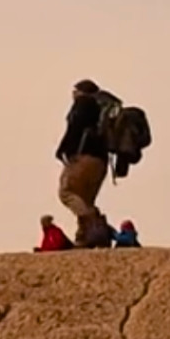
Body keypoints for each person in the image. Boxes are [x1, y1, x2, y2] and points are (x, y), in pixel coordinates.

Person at [56, 79, 111, 246]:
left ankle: (93, 224)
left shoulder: (84, 104)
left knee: (67, 193)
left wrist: (63, 149)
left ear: (80, 92)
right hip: (101, 161)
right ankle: (87, 237)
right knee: (85, 200)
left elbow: (74, 127)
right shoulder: (103, 108)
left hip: (83, 156)